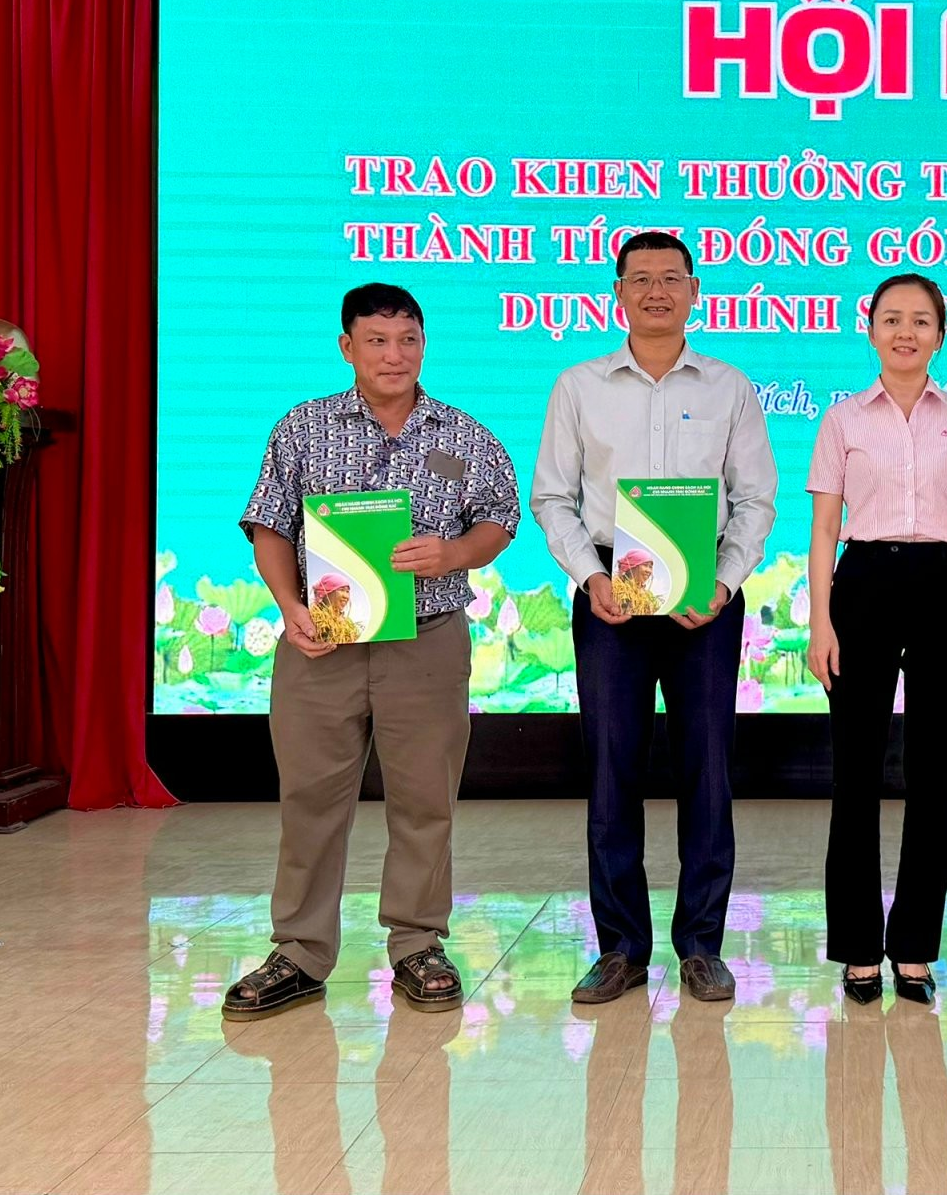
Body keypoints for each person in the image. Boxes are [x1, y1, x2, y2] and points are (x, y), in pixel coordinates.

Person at [224, 284, 520, 1020]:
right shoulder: (303, 427)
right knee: (310, 800)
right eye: (378, 341)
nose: (395, 355)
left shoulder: (464, 435)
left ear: (424, 345)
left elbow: (498, 521)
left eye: (408, 340)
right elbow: (270, 526)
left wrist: (453, 553)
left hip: (426, 640)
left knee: (424, 800)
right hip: (322, 644)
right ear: (347, 347)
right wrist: (289, 606)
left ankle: (418, 944)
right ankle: (299, 951)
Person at [530, 232, 779, 1004]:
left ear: (695, 290)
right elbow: (552, 498)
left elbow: (755, 499)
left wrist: (726, 584)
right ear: (618, 293)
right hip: (612, 592)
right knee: (613, 769)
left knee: (707, 769)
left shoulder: (730, 386)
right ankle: (620, 949)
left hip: (705, 596)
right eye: (640, 279)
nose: (657, 291)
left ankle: (702, 946)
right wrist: (590, 577)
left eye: (671, 278)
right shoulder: (579, 385)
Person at [806, 273, 947, 1006]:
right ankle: (859, 949)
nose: (905, 332)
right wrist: (820, 619)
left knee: (933, 773)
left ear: (941, 335)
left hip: (946, 585)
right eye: (892, 319)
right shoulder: (843, 420)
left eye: (921, 320)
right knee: (855, 773)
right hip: (862, 584)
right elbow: (824, 527)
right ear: (871, 332)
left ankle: (914, 948)